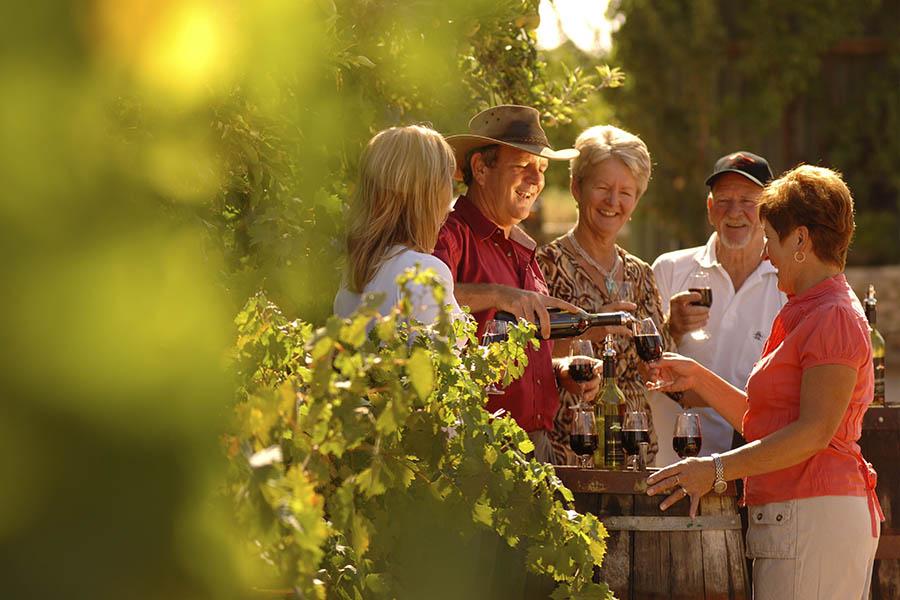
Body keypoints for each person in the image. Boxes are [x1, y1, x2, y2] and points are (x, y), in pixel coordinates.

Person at [646, 165, 883, 599]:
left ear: (800, 240)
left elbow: (813, 433)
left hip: (815, 518)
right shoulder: (806, 309)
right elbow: (766, 421)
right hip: (799, 520)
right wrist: (698, 376)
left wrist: (715, 470)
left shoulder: (832, 316)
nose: (767, 254)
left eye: (770, 238)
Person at [434, 105, 605, 462]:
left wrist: (563, 371)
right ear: (481, 168)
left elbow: (533, 354)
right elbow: (428, 302)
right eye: (522, 166)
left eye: (540, 169)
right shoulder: (450, 235)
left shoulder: (523, 247)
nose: (535, 179)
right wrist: (501, 296)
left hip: (534, 445)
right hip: (476, 446)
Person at [537, 125, 673, 466]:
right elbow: (527, 358)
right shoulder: (544, 265)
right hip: (569, 452)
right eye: (603, 188)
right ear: (576, 188)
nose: (614, 202)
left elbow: (657, 364)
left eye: (626, 192)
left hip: (634, 450)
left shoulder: (641, 273)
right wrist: (590, 330)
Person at [651, 151, 787, 463]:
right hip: (672, 463)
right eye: (724, 201)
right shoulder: (669, 269)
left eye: (748, 202)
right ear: (710, 209)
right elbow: (640, 365)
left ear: (769, 211)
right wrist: (672, 327)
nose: (734, 212)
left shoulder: (787, 281)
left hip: (751, 465)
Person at [334, 125, 466, 326]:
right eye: (447, 180)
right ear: (425, 195)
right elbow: (437, 357)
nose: (450, 205)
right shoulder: (423, 272)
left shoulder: (355, 273)